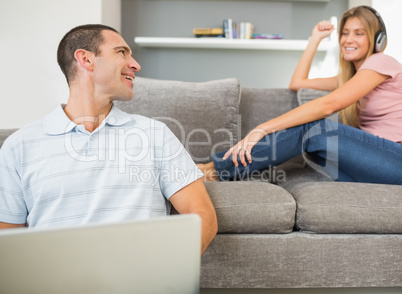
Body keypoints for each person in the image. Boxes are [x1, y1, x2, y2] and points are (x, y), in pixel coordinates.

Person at [0, 24, 217, 254]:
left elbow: (201, 214)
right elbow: (8, 238)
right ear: (86, 59)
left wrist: (169, 270)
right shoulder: (20, 145)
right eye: (122, 52)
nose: (136, 65)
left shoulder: (155, 134)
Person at [198, 6, 402, 184]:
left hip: (395, 159)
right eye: (345, 33)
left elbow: (328, 105)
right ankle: (222, 169)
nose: (349, 40)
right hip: (376, 164)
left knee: (313, 129)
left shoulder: (381, 62)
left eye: (359, 33)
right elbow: (297, 83)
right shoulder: (350, 78)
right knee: (312, 149)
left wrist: (261, 129)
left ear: (377, 40)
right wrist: (315, 39)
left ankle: (215, 170)